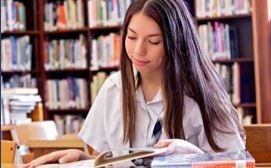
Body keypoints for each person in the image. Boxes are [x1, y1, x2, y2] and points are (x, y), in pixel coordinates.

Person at [24, 0, 245, 167]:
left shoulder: (201, 95)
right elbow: (111, 161)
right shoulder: (113, 89)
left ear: (176, 43)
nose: (139, 50)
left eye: (153, 41)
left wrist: (193, 157)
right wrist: (83, 160)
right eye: (131, 37)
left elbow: (238, 162)